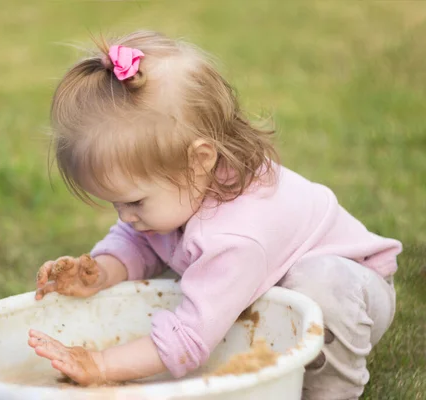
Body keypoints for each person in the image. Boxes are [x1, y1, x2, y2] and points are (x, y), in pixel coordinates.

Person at [27, 31, 401, 399]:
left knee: (319, 283)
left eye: (135, 202)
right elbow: (137, 240)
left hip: (355, 298)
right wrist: (102, 271)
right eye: (115, 204)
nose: (125, 217)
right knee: (239, 302)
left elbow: (188, 339)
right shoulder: (180, 186)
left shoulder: (232, 235)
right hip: (272, 289)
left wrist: (102, 365)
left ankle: (332, 390)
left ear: (200, 160)